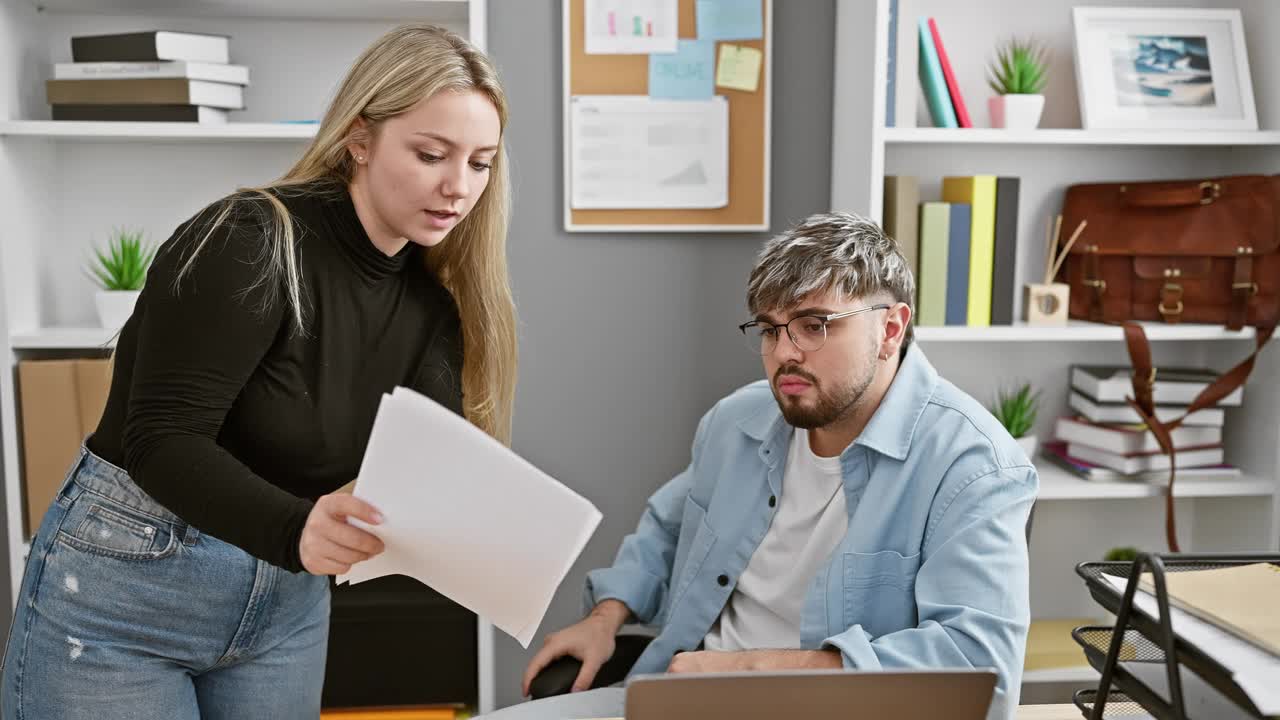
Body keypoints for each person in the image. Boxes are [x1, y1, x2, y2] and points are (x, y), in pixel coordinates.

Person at [1, 24, 517, 720]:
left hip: (283, 604)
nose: (459, 187)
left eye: (481, 163)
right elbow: (163, 437)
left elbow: (420, 465)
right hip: (128, 592)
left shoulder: (432, 306)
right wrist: (300, 528)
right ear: (359, 139)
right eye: (431, 154)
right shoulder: (250, 239)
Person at [513, 212, 1037, 720]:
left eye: (814, 325)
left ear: (891, 329)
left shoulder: (974, 465)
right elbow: (666, 534)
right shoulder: (737, 421)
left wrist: (745, 670)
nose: (784, 352)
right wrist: (606, 618)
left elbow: (979, 667)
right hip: (679, 697)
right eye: (769, 329)